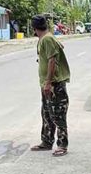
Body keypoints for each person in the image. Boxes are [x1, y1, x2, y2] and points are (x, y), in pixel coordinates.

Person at [30, 15, 71, 157]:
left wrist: (48, 82)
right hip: (47, 84)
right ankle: (46, 141)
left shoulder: (47, 39)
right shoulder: (46, 38)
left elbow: (52, 61)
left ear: (34, 29)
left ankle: (62, 145)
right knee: (47, 113)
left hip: (54, 84)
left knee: (58, 114)